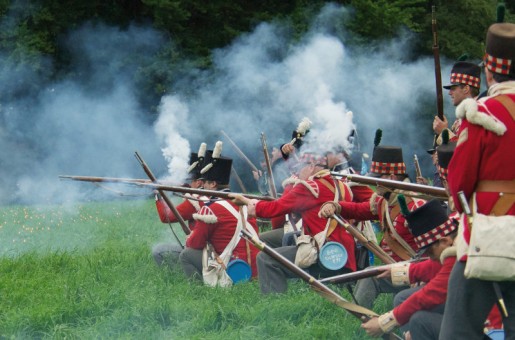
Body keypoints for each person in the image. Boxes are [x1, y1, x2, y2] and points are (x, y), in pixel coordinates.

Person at [439, 23, 515, 339]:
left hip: (487, 237)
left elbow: (458, 183)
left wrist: (459, 207)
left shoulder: (480, 113)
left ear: (489, 71)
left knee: (456, 331)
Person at [318, 132, 425, 309]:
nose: (374, 183)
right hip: (397, 268)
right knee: (370, 275)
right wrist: (336, 206)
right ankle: (358, 323)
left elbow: (429, 249)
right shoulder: (383, 201)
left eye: (378, 178)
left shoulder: (414, 205)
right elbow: (360, 210)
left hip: (416, 273)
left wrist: (418, 274)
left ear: (391, 177)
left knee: (374, 277)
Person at [231, 151, 360, 294]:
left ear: (311, 166)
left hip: (323, 254)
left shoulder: (310, 187)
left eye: (300, 168)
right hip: (346, 255)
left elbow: (275, 208)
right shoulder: (342, 186)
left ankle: (274, 305)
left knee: (266, 258)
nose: (297, 173)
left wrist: (247, 202)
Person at [361, 199, 458, 340]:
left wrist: (384, 323)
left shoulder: (459, 253)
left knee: (419, 321)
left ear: (444, 241)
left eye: (430, 252)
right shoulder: (456, 243)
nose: (429, 257)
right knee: (406, 302)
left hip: (484, 325)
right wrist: (398, 271)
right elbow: (435, 265)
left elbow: (432, 292)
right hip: (468, 311)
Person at [179, 141, 260, 282]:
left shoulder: (210, 209)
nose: (202, 186)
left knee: (186, 254)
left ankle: (199, 289)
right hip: (256, 267)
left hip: (232, 265)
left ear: (213, 184)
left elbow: (195, 244)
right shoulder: (244, 201)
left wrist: (190, 237)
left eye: (205, 183)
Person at [152, 143, 208, 267]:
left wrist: (158, 195)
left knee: (158, 251)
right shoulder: (214, 196)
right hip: (212, 248)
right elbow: (187, 188)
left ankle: (178, 274)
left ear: (199, 182)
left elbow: (165, 217)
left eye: (189, 180)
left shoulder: (194, 202)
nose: (186, 183)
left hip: (200, 250)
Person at [433, 61, 482, 142]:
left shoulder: (476, 113)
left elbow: (467, 149)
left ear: (466, 89)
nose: (449, 93)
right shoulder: (467, 113)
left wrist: (444, 132)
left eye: (453, 88)